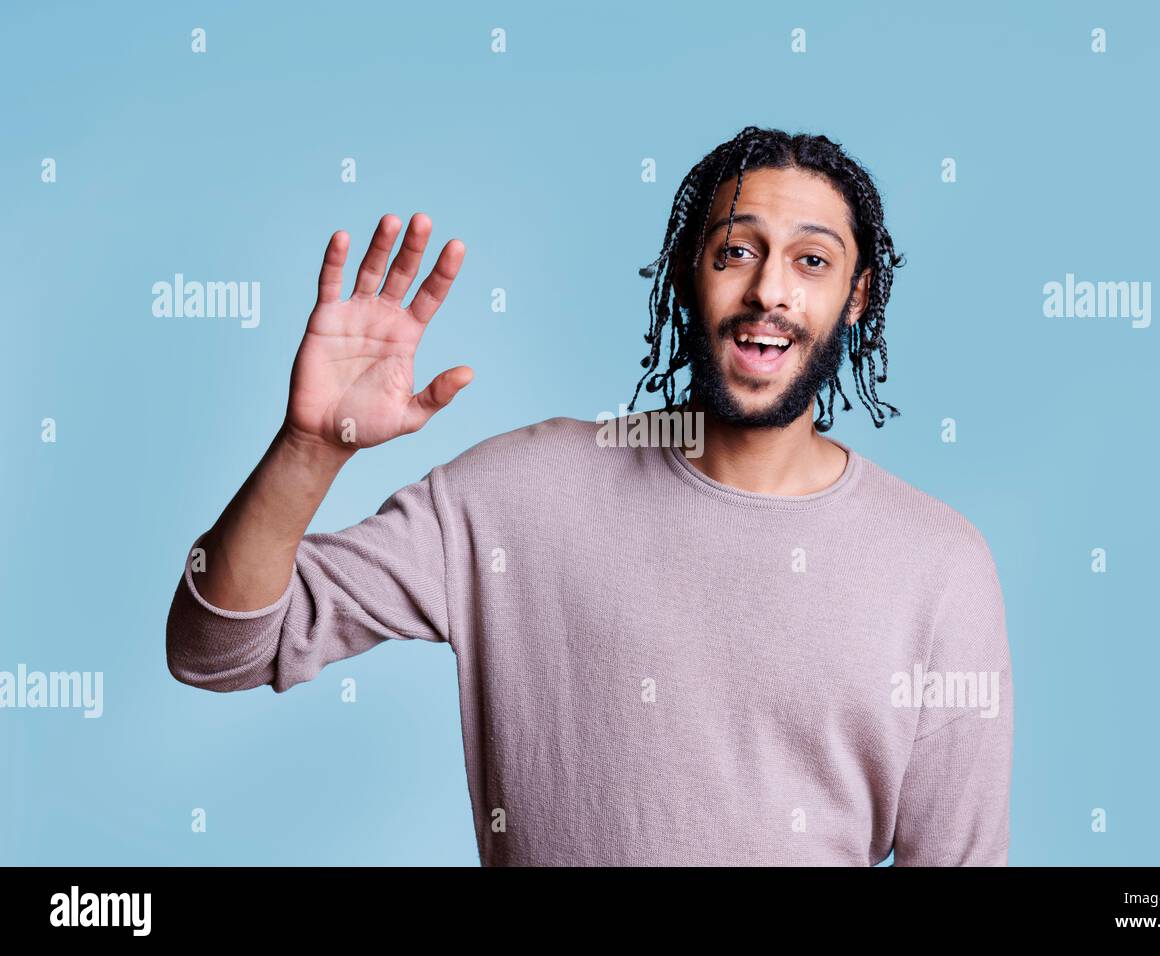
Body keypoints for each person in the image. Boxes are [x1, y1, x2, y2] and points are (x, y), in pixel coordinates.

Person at [165, 125, 1013, 866]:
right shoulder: (519, 493)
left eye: (813, 261)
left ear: (857, 297)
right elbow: (216, 650)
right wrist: (310, 450)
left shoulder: (938, 565)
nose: (770, 292)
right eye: (737, 251)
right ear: (690, 274)